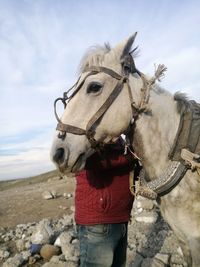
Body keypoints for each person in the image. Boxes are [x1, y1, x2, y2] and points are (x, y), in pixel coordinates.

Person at [75, 138, 139, 267]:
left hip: (119, 218)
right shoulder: (85, 135)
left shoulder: (116, 138)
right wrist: (130, 156)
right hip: (99, 223)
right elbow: (87, 161)